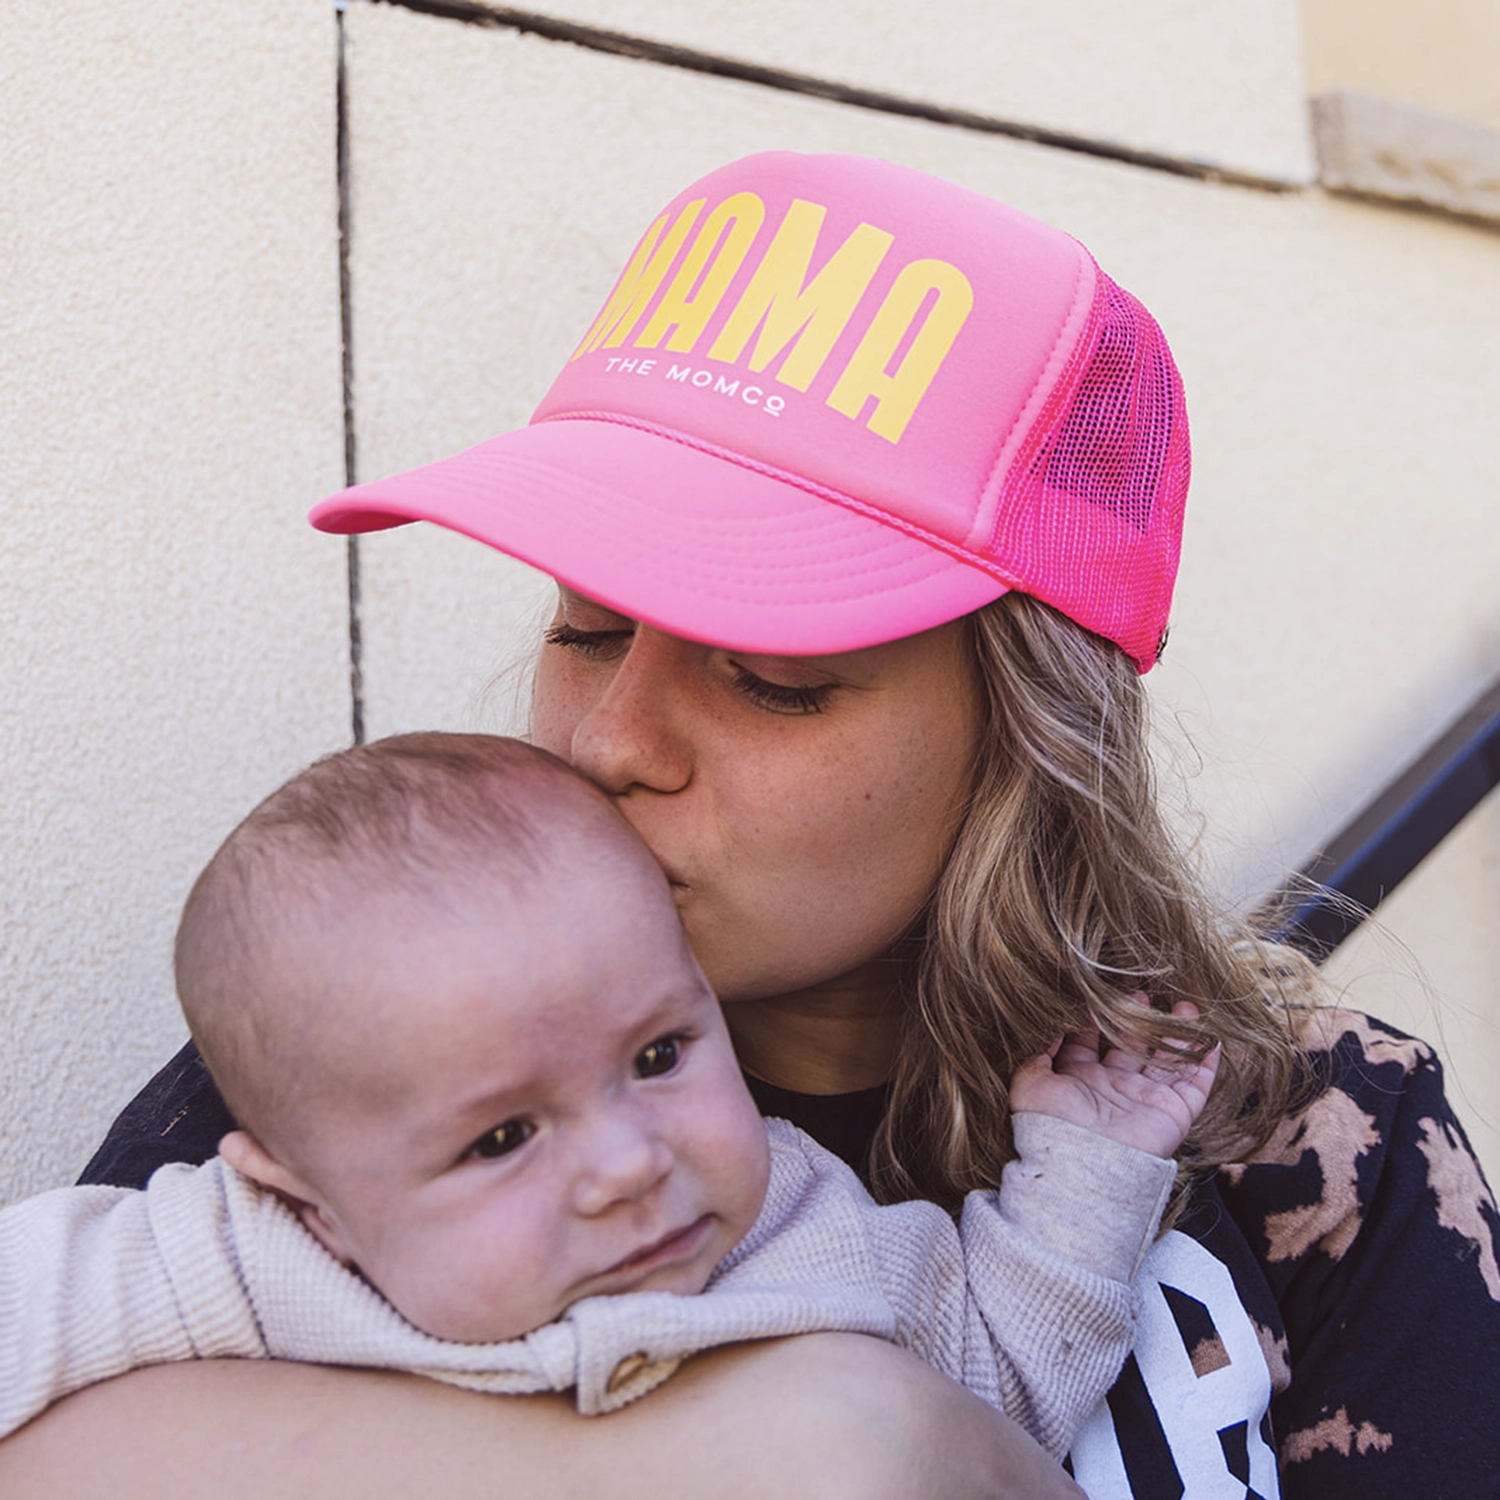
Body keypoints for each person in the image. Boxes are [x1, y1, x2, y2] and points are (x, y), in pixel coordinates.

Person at [9, 150, 1498, 1497]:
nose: (612, 739)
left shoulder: (1313, 1140)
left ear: (1029, 739)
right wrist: (829, 1443)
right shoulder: (389, 1052)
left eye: (773, 678)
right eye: (587, 628)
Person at [0, 731, 1214, 1454]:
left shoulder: (817, 1242)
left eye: (658, 1057)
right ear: (310, 1197)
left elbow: (1008, 1384)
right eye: (503, 1137)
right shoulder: (247, 1260)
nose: (633, 1163)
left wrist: (1086, 1164)